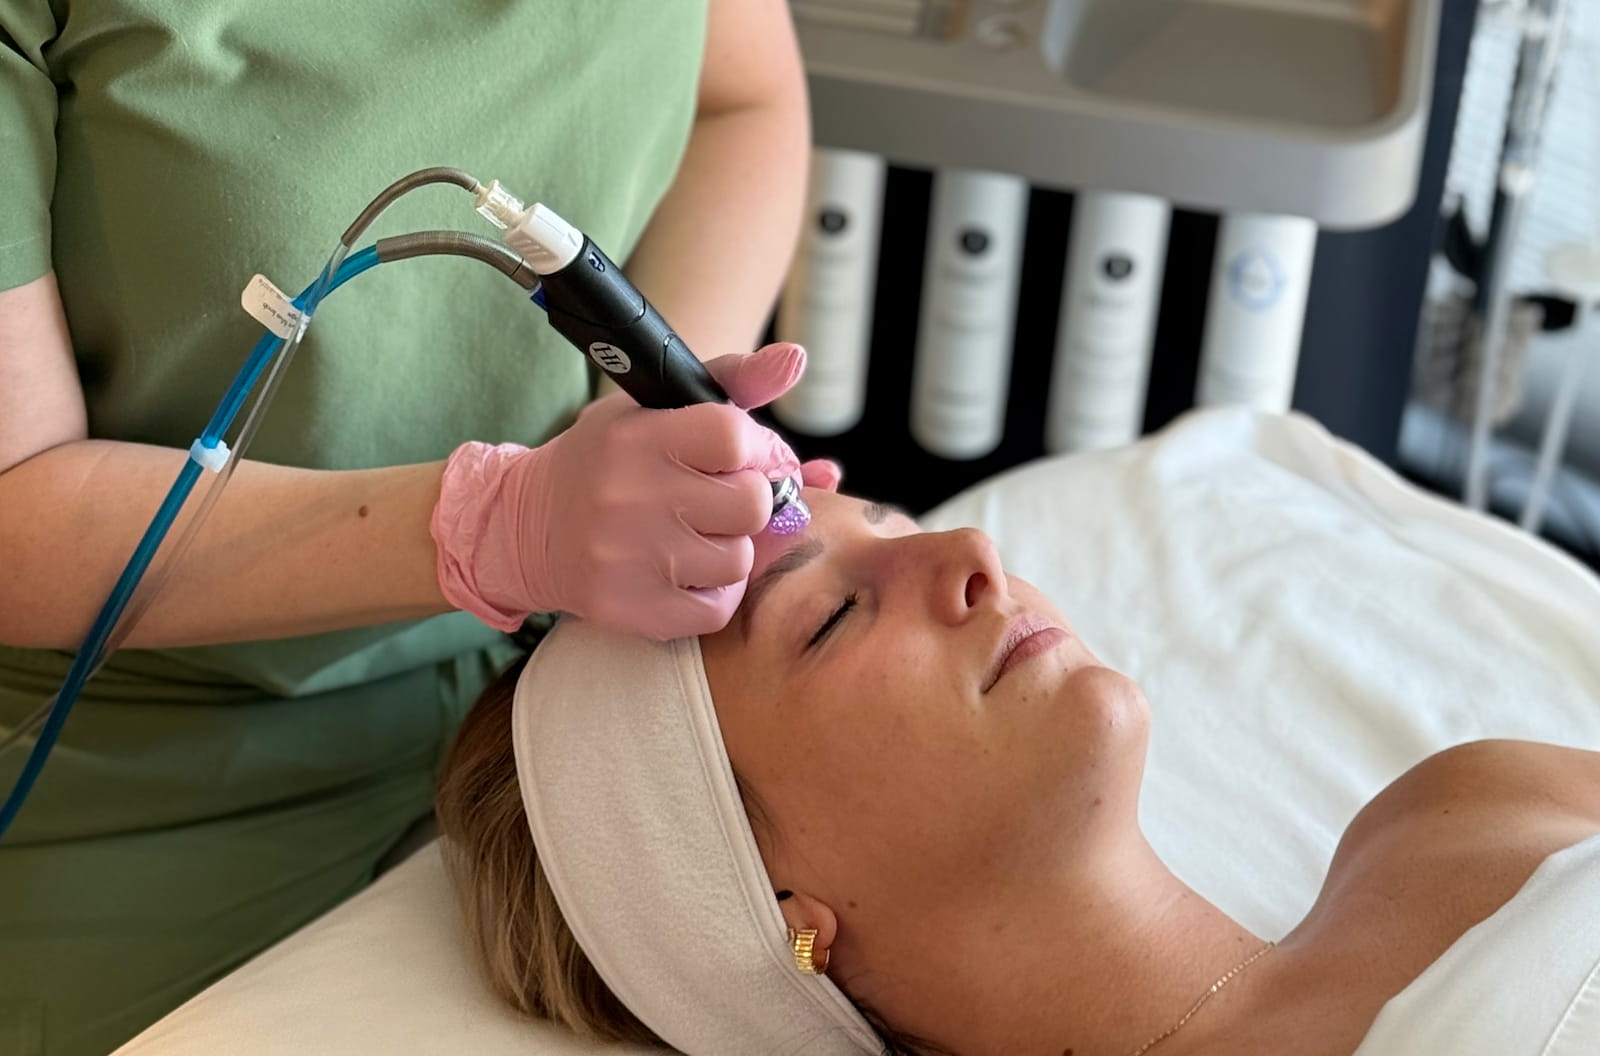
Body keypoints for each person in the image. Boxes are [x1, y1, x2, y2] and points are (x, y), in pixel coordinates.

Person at [0, 2, 814, 1052]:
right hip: (158, 741)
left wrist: (652, 421)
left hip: (555, 674)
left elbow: (744, 98)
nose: (971, 562)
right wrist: (501, 528)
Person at [437, 486, 1600, 1056]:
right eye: (831, 617)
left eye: (898, 527)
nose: (970, 550)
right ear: (779, 915)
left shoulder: (1469, 809)